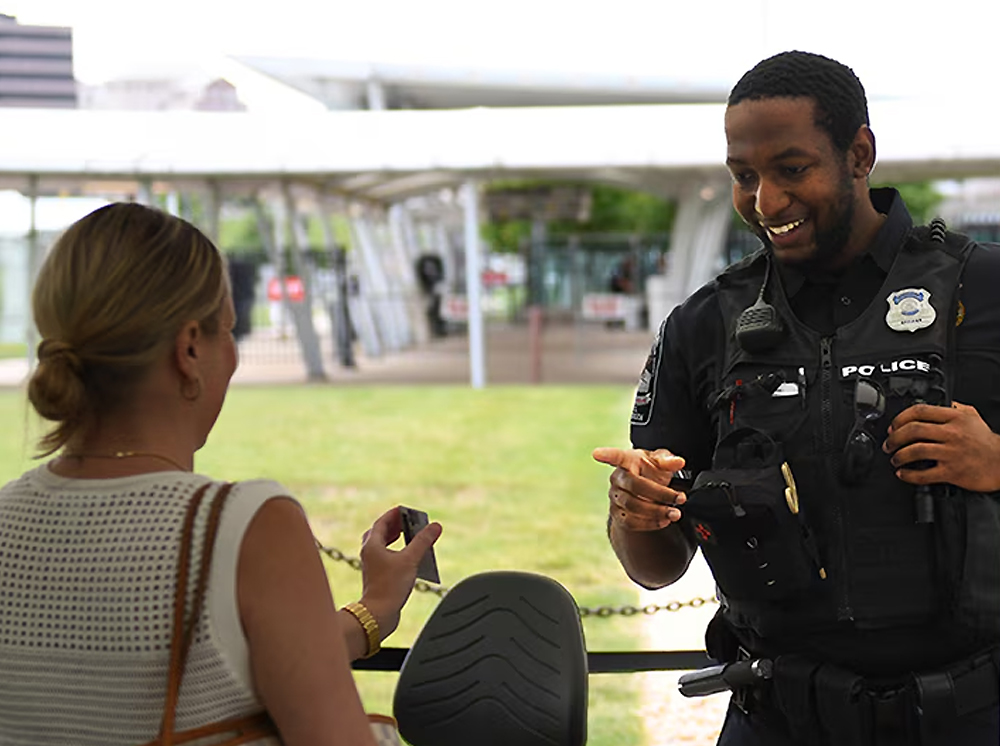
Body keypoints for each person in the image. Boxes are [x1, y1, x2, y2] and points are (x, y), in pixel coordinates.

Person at [594, 51, 1000, 745]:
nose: (765, 201)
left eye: (791, 169)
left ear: (859, 153)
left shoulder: (984, 290)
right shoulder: (704, 325)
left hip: (971, 716)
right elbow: (656, 567)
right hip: (777, 718)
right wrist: (636, 513)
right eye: (743, 176)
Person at [0, 202, 442, 746]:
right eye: (229, 331)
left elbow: (192, 664)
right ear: (189, 348)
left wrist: (372, 612)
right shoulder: (245, 525)